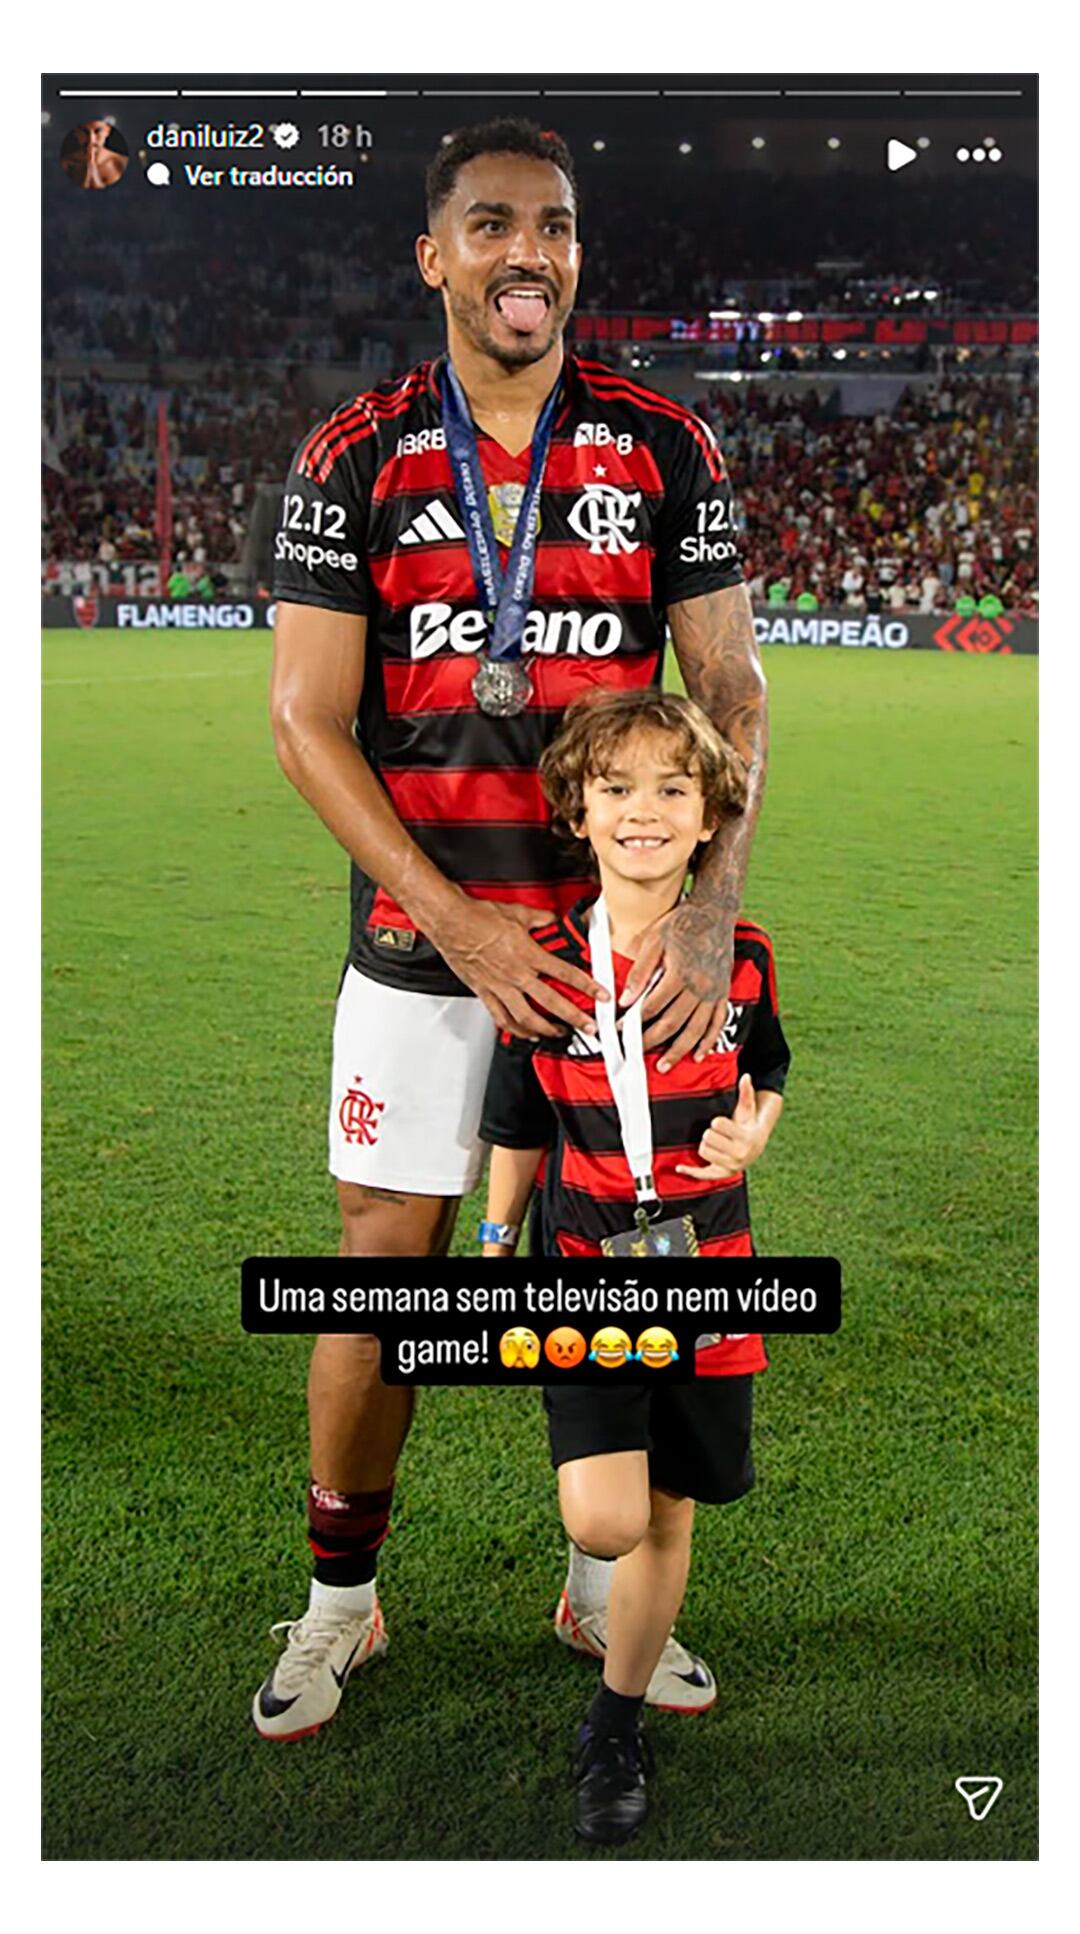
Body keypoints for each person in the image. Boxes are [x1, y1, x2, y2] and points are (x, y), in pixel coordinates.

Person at [257, 118, 768, 1742]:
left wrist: (707, 911)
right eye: (489, 224)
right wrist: (462, 925)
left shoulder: (663, 443)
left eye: (551, 224)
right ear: (436, 256)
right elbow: (307, 721)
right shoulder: (355, 452)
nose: (525, 250)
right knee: (382, 1273)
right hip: (426, 955)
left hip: (619, 956)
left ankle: (599, 1581)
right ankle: (342, 1598)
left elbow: (733, 691)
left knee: (624, 1263)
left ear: (576, 253)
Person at [478, 689, 790, 1842]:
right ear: (579, 811)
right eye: (616, 788)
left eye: (672, 787)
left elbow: (767, 1071)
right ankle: (591, 1586)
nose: (643, 809)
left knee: (668, 1506)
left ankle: (613, 1722)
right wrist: (494, 1249)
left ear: (711, 816)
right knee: (608, 1518)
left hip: (710, 1268)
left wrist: (754, 1131)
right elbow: (517, 1124)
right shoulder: (544, 965)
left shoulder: (741, 956)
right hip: (584, 1268)